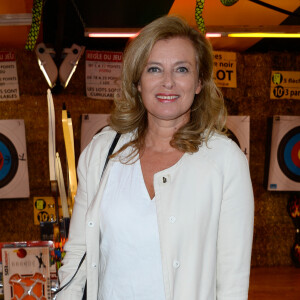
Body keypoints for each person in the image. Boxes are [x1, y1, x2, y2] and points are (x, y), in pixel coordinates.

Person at [57, 15, 254, 300]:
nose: (168, 82)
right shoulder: (102, 152)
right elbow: (78, 254)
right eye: (154, 69)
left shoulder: (225, 161)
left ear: (199, 82)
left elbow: (232, 281)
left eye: (182, 69)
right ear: (138, 81)